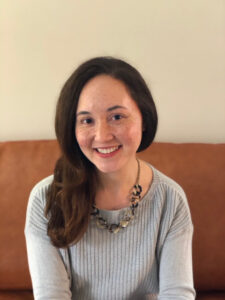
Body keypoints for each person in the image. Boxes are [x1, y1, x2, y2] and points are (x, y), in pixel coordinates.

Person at [25, 56, 196, 300]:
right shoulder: (45, 200)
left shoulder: (170, 200)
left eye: (117, 117)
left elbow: (177, 294)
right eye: (86, 121)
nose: (102, 136)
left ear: (144, 119)